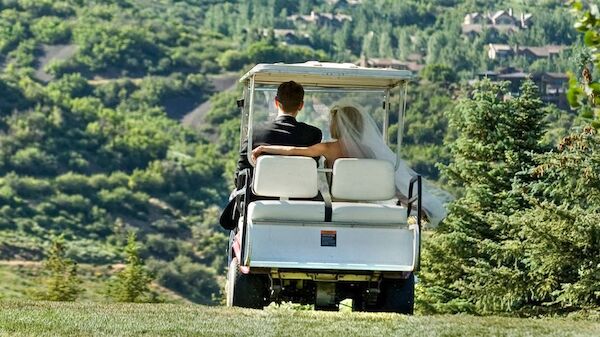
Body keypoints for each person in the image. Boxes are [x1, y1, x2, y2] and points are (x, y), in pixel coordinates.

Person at [251, 105, 447, 226]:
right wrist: (410, 204)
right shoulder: (370, 152)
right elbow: (389, 184)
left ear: (337, 124)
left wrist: (265, 149)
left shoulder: (328, 148)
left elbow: (295, 151)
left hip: (338, 206)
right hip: (364, 205)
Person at [219, 81, 322, 230]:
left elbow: (241, 173)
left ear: (276, 102)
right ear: (301, 105)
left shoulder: (256, 133)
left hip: (261, 199)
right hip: (303, 199)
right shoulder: (313, 134)